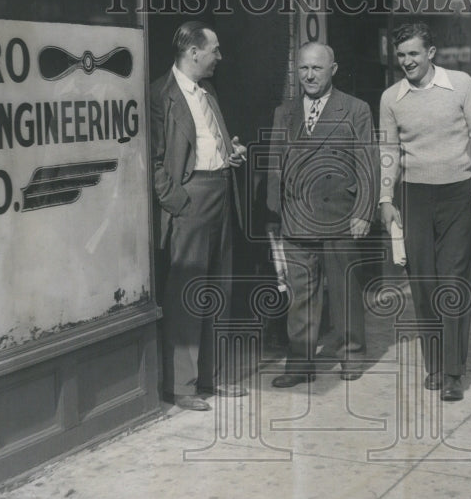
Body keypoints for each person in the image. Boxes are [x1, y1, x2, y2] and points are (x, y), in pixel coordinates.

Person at [379, 23, 471, 402]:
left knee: (454, 280)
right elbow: (389, 151)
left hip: (458, 195)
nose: (407, 61)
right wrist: (384, 199)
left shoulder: (460, 85)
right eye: (401, 55)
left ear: (431, 53)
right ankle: (435, 364)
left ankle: (453, 372)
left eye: (413, 53)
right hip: (414, 198)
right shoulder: (391, 98)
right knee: (424, 283)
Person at [265, 42, 378, 386]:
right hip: (297, 219)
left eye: (317, 68)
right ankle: (300, 364)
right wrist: (275, 213)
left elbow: (369, 165)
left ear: (333, 69)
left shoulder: (355, 109)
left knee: (344, 289)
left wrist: (363, 212)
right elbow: (274, 165)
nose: (310, 75)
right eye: (303, 69)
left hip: (341, 217)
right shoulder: (284, 113)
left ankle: (351, 354)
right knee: (301, 295)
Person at [151, 21, 248, 411]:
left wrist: (230, 151)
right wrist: (178, 202)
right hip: (190, 202)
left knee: (217, 290)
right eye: (214, 50)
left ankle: (213, 377)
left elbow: (208, 140)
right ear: (193, 52)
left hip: (221, 193)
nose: (219, 57)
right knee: (186, 293)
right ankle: (183, 386)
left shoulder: (208, 91)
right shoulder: (161, 95)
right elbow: (154, 161)